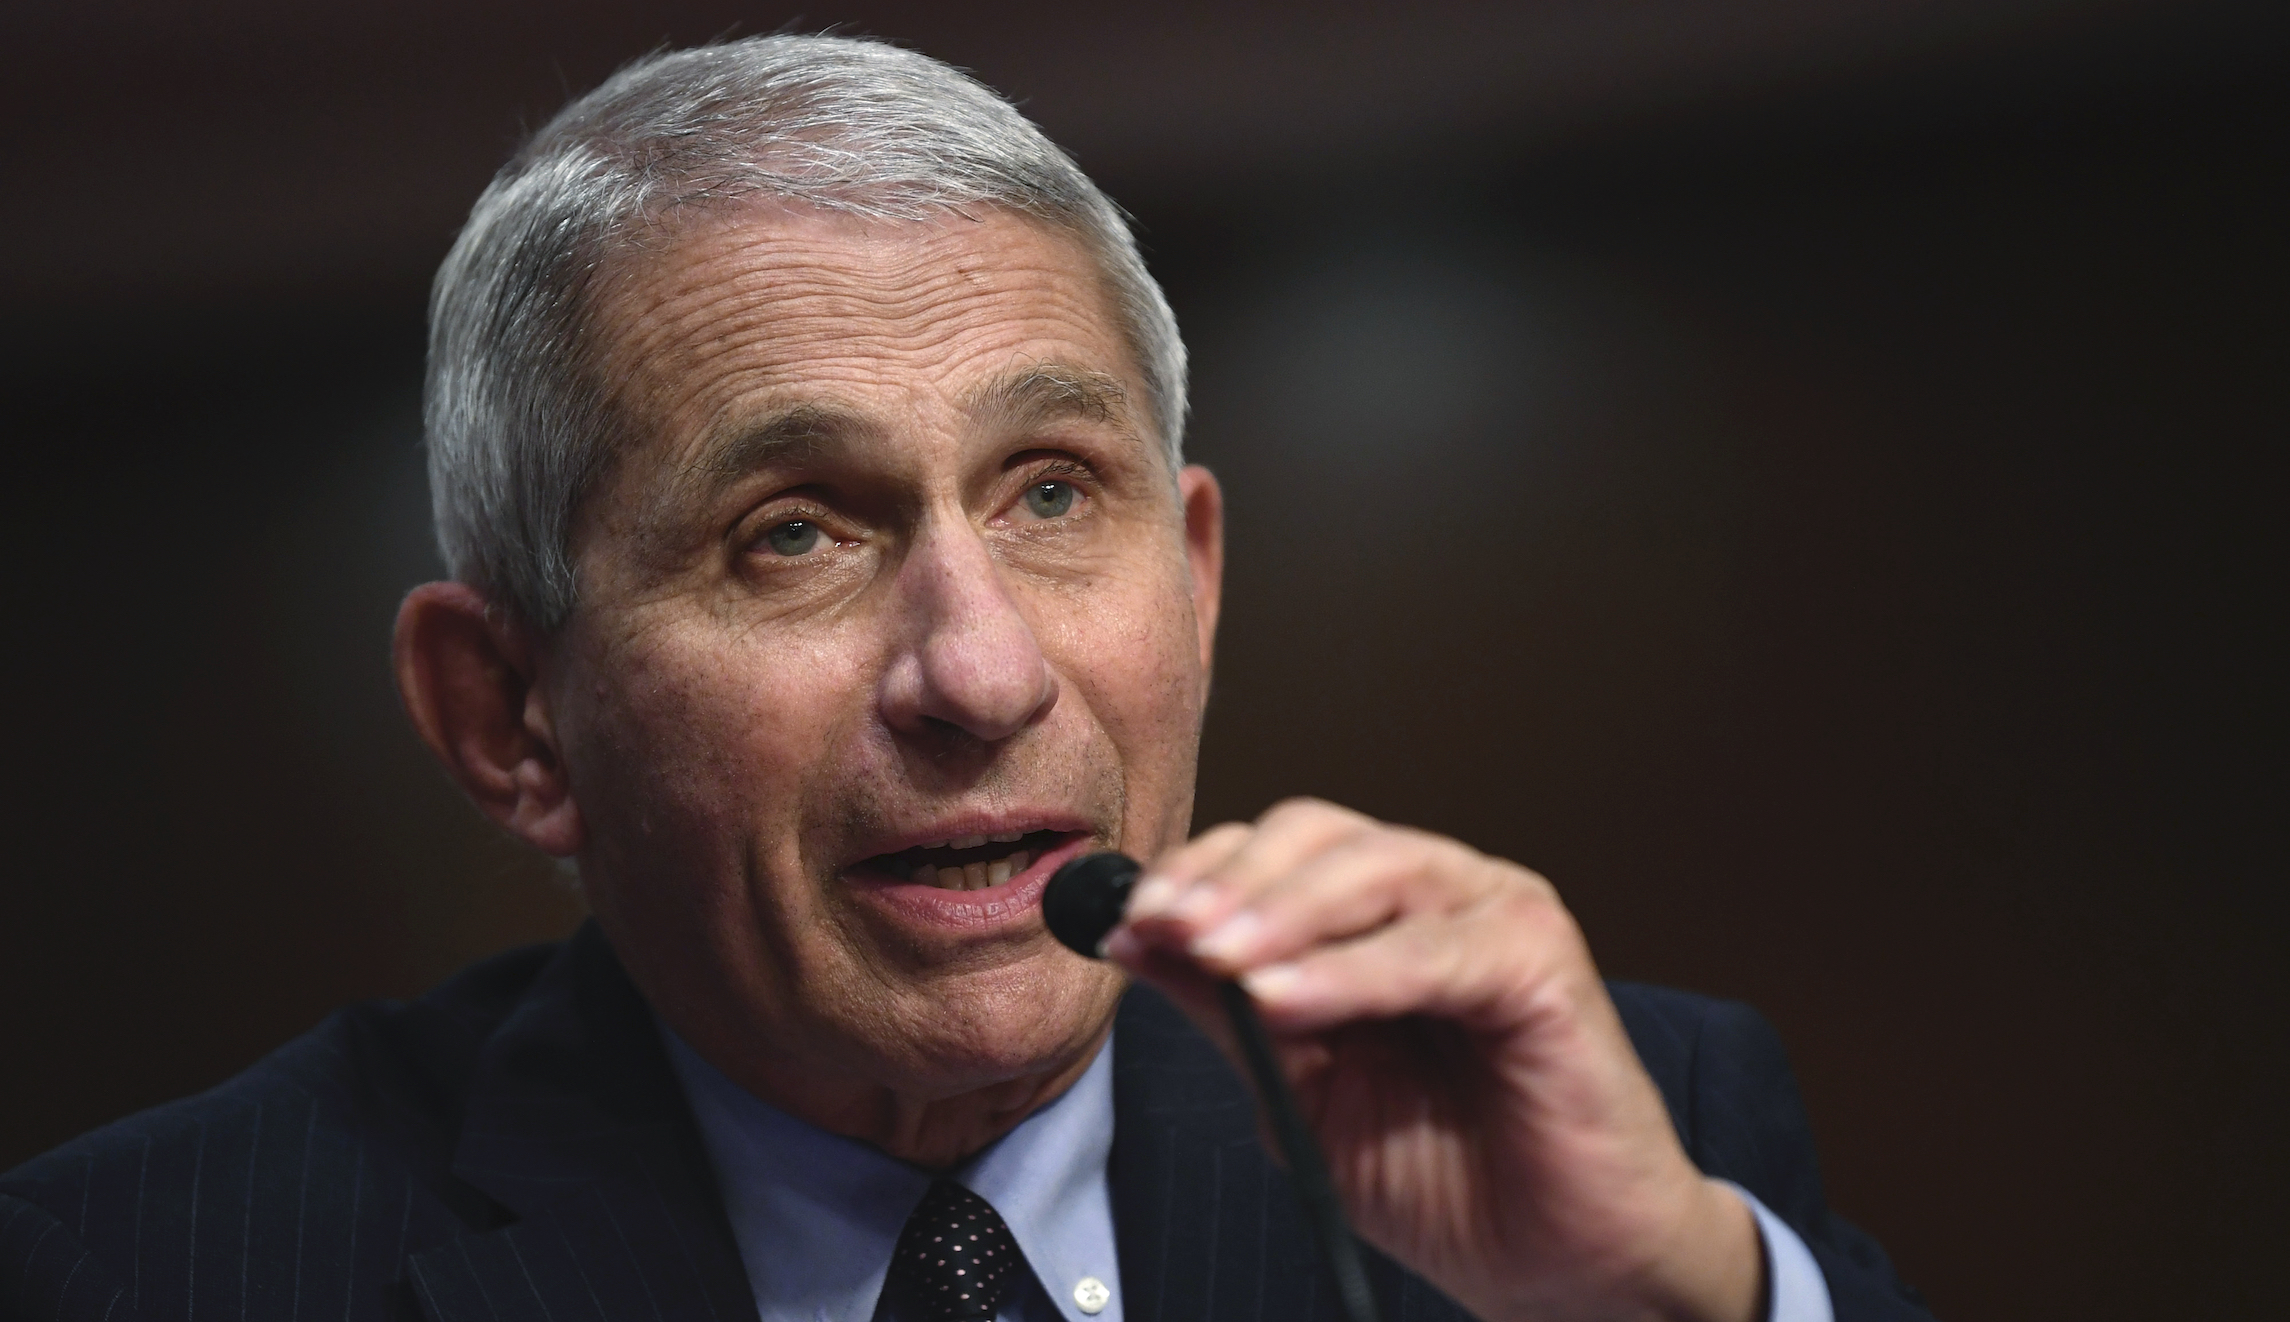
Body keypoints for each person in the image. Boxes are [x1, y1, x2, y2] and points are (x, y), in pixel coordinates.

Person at [0, 35, 1931, 1322]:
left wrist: (1667, 1295)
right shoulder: (144, 1270)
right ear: (508, 719)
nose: (980, 669)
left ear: (1190, 582)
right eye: (793, 532)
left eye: (1049, 492)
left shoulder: (1630, 1132)